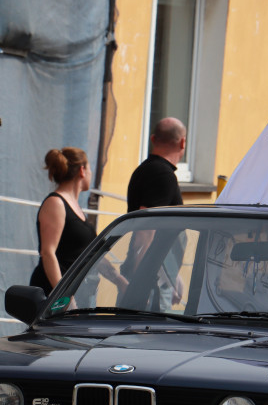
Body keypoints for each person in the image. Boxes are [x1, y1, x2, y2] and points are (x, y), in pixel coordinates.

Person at [30, 147, 124, 293]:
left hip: (76, 293)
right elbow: (48, 253)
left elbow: (93, 255)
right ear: (82, 170)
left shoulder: (76, 208)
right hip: (52, 294)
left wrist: (121, 282)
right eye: (90, 169)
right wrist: (63, 297)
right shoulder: (56, 203)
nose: (91, 174)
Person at [122, 117, 187, 308]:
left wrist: (174, 275)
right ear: (183, 142)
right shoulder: (162, 175)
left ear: (152, 139)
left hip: (154, 273)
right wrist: (139, 282)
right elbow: (146, 229)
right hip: (151, 281)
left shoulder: (144, 170)